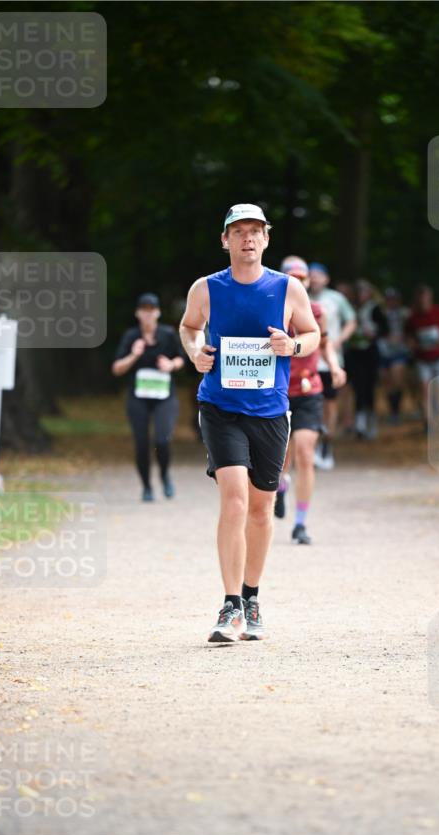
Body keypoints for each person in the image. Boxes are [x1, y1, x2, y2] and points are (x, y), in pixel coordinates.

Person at [179, 204, 320, 643]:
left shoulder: (287, 288)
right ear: (225, 240)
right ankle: (230, 605)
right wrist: (195, 352)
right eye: (238, 231)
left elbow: (312, 334)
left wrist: (292, 346)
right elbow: (189, 327)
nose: (247, 239)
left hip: (270, 412)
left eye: (255, 231)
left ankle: (251, 596)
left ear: (266, 239)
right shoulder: (206, 288)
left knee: (260, 509)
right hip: (220, 407)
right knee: (235, 501)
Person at [275, 256, 346, 544]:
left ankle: (300, 524)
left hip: (309, 391)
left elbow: (325, 344)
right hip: (278, 392)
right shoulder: (271, 309)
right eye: (293, 278)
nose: (299, 282)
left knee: (305, 453)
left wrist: (335, 366)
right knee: (281, 458)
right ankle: (281, 486)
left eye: (303, 278)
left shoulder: (317, 312)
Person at [112, 293, 185, 501]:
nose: (148, 314)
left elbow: (182, 359)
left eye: (151, 310)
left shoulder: (167, 334)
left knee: (162, 439)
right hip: (138, 398)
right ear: (137, 313)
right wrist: (134, 355)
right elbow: (116, 368)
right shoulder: (131, 336)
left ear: (158, 313)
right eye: (144, 310)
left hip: (164, 397)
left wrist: (171, 365)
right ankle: (146, 487)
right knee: (142, 443)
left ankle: (165, 475)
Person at [307, 262, 356, 469]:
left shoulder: (336, 299)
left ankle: (327, 446)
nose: (315, 278)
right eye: (311, 275)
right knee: (310, 404)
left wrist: (339, 340)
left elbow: (351, 321)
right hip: (308, 360)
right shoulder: (302, 297)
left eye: (319, 275)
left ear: (326, 279)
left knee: (330, 404)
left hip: (330, 361)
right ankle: (310, 447)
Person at [404, 284, 439, 426]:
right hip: (422, 360)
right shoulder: (413, 318)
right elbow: (407, 336)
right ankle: (428, 422)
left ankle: (437, 414)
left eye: (425, 299)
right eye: (420, 299)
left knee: (438, 391)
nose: (423, 302)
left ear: (430, 299)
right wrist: (412, 344)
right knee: (424, 389)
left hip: (438, 359)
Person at [345, 280, 388, 440]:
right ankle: (360, 424)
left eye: (364, 291)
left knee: (370, 386)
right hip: (355, 353)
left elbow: (385, 329)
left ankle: (371, 422)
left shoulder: (375, 308)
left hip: (370, 353)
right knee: (358, 387)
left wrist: (374, 334)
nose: (361, 295)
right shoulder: (351, 308)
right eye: (359, 292)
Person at [379, 287, 412, 423]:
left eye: (393, 299)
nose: (391, 302)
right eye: (389, 299)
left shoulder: (405, 313)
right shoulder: (380, 314)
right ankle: (392, 410)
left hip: (400, 351)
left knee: (397, 379)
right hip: (383, 351)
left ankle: (396, 410)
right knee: (387, 382)